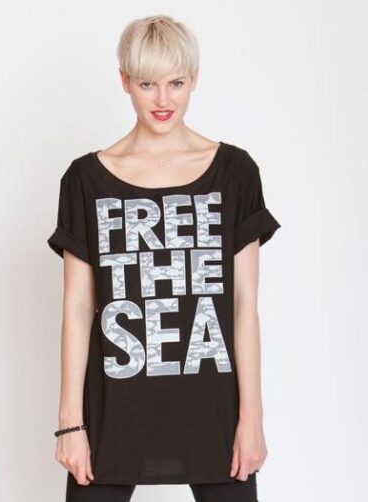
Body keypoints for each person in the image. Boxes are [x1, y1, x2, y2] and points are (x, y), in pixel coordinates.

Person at [47, 14, 281, 502]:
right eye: (147, 83)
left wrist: (252, 417)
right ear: (124, 81)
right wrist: (70, 424)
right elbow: (77, 306)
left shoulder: (235, 173)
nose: (162, 100)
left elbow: (244, 305)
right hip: (114, 413)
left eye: (175, 82)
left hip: (214, 413)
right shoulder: (86, 180)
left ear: (194, 78)